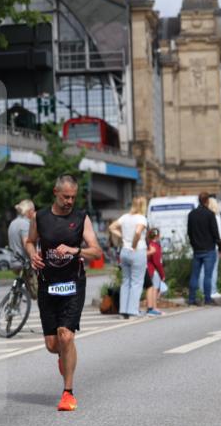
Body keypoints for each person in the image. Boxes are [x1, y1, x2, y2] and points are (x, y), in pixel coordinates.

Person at [25, 175, 103, 412]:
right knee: (53, 344)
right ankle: (64, 356)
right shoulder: (40, 217)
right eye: (65, 196)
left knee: (66, 336)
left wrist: (75, 250)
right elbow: (30, 241)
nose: (69, 201)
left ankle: (68, 393)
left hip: (73, 284)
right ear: (55, 193)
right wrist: (32, 255)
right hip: (47, 284)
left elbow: (96, 251)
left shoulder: (81, 218)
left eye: (73, 197)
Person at [109, 197, 148, 318]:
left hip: (124, 251)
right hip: (137, 251)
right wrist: (134, 245)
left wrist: (122, 236)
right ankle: (132, 311)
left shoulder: (125, 217)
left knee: (126, 281)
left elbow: (111, 227)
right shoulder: (141, 218)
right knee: (137, 282)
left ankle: (123, 311)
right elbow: (138, 232)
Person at [186, 192, 221, 306]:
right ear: (207, 201)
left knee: (194, 275)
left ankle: (191, 299)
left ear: (199, 200)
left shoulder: (191, 214)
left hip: (197, 250)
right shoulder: (210, 215)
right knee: (208, 276)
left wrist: (193, 245)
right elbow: (215, 233)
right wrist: (220, 247)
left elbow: (189, 232)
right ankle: (207, 299)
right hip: (209, 250)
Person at [146, 227, 166, 316]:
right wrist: (162, 274)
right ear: (157, 236)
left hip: (147, 268)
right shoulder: (156, 246)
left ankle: (151, 308)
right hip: (153, 270)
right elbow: (157, 262)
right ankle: (154, 308)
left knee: (150, 288)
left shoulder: (148, 244)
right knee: (155, 288)